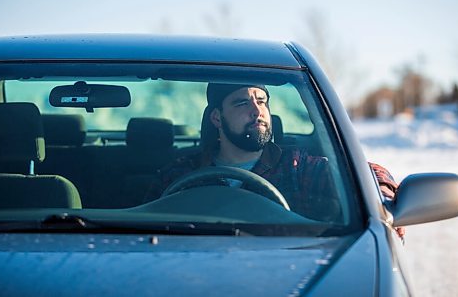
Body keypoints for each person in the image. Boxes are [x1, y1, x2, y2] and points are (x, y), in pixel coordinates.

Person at [144, 83, 404, 236]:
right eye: (241, 103)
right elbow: (140, 231)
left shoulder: (297, 167)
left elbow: (365, 172)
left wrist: (381, 200)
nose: (257, 111)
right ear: (216, 118)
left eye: (261, 101)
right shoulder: (180, 175)